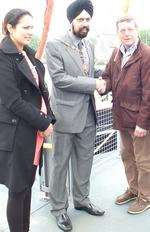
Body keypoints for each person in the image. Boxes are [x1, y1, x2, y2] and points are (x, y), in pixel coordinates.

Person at [46, 0, 105, 231]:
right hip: (64, 116)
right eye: (80, 19)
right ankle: (59, 209)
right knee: (60, 165)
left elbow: (87, 72)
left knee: (84, 162)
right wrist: (94, 82)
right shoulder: (54, 45)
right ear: (71, 20)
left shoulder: (89, 44)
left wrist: (103, 78)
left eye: (87, 19)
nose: (84, 23)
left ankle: (82, 201)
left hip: (88, 115)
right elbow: (60, 79)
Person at [0, 8, 56, 232]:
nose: (30, 32)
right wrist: (44, 123)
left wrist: (49, 118)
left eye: (32, 27)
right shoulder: (3, 58)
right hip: (18, 133)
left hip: (34, 132)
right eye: (25, 27)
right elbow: (12, 101)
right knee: (17, 189)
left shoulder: (28, 55)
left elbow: (42, 92)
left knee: (27, 186)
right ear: (10, 27)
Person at [101, 16, 150, 214]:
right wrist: (102, 86)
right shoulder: (116, 52)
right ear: (118, 33)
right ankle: (133, 189)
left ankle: (145, 196)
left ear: (136, 30)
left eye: (130, 29)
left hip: (139, 120)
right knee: (127, 156)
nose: (127, 33)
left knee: (143, 159)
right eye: (123, 30)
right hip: (122, 117)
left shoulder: (146, 54)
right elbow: (108, 76)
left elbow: (149, 91)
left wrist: (143, 123)